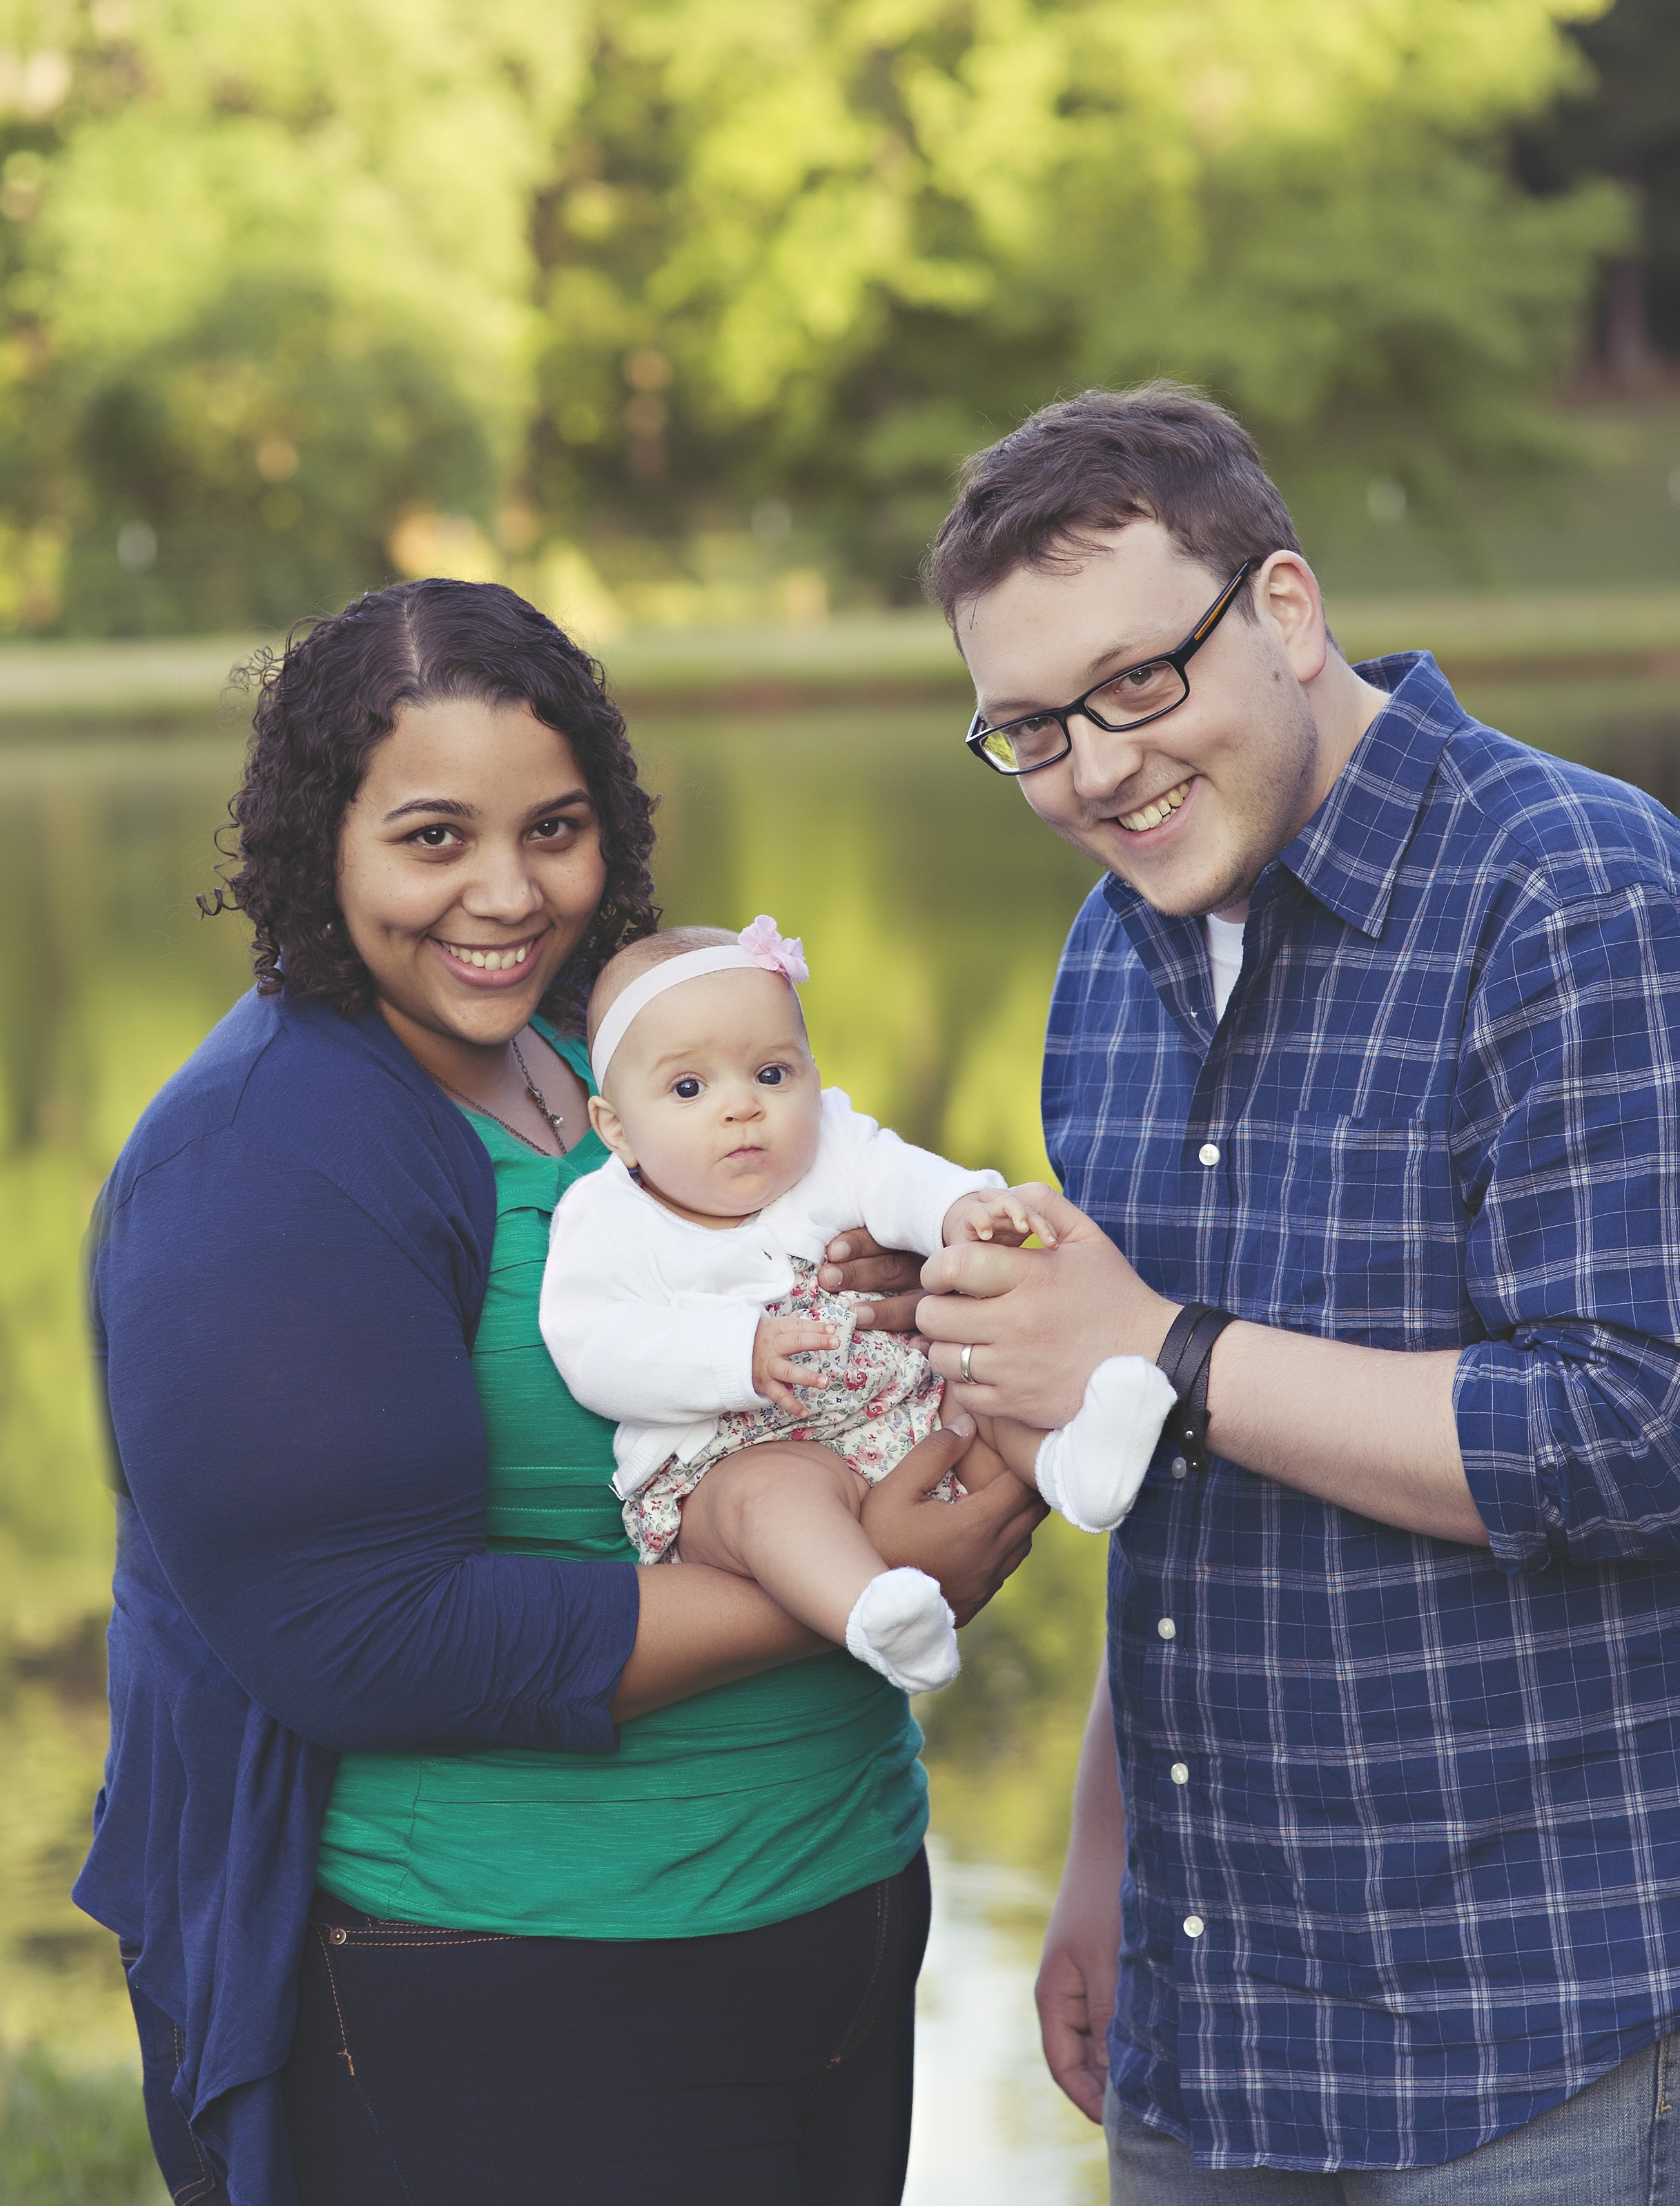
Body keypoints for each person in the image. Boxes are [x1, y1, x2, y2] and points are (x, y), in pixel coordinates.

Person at [908, 385, 1680, 2201]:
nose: (1097, 769)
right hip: (1233, 2031)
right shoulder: (1116, 953)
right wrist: (1104, 1860)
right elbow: (1163, 1450)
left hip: (1577, 2023)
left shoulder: (1575, 891)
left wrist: (1156, 1345)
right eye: (1028, 730)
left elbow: (1637, 1433)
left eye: (1137, 683)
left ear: (1283, 611)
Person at [72, 578, 1045, 2206]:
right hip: (516, 1982)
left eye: (557, 827)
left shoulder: (620, 1047)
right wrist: (863, 1583)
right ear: (323, 838)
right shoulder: (262, 1155)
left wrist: (913, 1294)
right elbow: (354, 1638)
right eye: (435, 837)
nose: (509, 895)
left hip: (838, 1914)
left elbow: (808, 1268)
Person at [540, 918, 1180, 1694]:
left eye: (772, 1074)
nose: (742, 1107)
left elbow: (893, 1175)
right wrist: (733, 1355)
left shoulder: (828, 1145)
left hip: (895, 1406)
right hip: (729, 1452)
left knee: (984, 1371)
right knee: (770, 1501)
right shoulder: (604, 1218)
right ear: (616, 1128)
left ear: (811, 1072)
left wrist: (955, 1210)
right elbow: (593, 1348)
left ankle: (1078, 1469)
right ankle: (875, 1609)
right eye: (688, 1088)